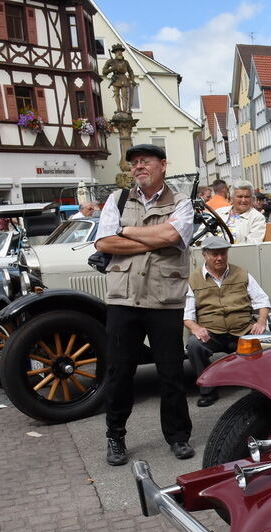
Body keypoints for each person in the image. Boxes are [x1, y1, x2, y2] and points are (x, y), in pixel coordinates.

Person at [93, 143, 195, 466]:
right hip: (124, 297)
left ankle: (178, 437)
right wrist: (150, 236)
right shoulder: (117, 199)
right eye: (134, 162)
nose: (138, 166)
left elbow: (171, 237)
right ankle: (115, 436)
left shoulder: (181, 201)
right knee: (119, 372)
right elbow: (104, 241)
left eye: (145, 161)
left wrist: (126, 231)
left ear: (163, 165)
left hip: (164, 298)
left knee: (171, 373)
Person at [184, 235, 271, 406]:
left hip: (242, 329)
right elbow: (187, 314)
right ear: (204, 255)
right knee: (194, 345)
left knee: (267, 340)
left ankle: (261, 388)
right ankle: (208, 390)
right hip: (213, 333)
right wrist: (195, 328)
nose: (219, 258)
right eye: (214, 254)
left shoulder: (242, 273)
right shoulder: (193, 279)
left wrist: (261, 322)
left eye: (223, 254)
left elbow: (263, 301)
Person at [219, 180, 266, 245]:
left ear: (252, 199)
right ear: (232, 198)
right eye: (240, 197)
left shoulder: (257, 217)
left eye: (247, 197)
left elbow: (252, 245)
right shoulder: (219, 212)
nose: (243, 200)